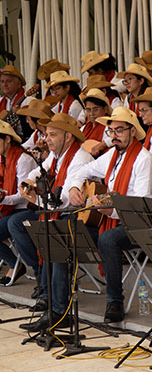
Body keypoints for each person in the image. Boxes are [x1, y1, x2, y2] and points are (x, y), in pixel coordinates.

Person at [68, 107, 152, 323]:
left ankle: (114, 300)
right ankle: (62, 297)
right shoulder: (112, 155)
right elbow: (82, 171)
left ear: (133, 132)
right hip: (112, 220)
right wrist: (74, 187)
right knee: (70, 226)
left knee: (108, 239)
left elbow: (140, 205)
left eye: (119, 130)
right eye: (110, 131)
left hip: (139, 224)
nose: (114, 136)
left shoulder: (144, 160)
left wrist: (112, 211)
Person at [10, 114, 93, 326]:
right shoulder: (57, 156)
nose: (47, 139)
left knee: (56, 241)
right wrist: (29, 181)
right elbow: (39, 170)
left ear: (68, 137)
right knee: (19, 224)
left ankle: (58, 310)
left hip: (78, 217)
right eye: (46, 134)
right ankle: (43, 285)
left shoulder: (79, 158)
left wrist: (35, 198)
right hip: (60, 213)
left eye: (53, 134)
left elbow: (62, 202)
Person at [0, 121, 37, 286]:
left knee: (14, 223)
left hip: (30, 208)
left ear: (7, 139)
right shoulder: (3, 160)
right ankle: (15, 265)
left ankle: (37, 269)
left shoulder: (23, 159)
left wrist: (2, 199)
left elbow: (24, 196)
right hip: (13, 209)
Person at [80, 88, 114, 156]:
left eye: (95, 110)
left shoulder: (110, 125)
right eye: (88, 110)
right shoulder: (84, 128)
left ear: (105, 109)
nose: (91, 114)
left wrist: (101, 145)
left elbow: (117, 137)